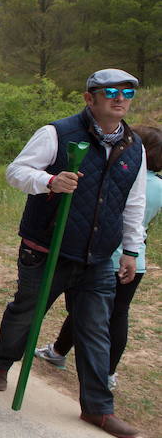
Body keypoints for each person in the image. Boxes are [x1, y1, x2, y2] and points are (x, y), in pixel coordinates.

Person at [0, 69, 146, 438]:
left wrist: (130, 250)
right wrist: (49, 182)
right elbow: (16, 172)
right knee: (26, 313)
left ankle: (98, 408)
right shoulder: (57, 133)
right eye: (110, 91)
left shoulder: (133, 146)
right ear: (89, 98)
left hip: (98, 258)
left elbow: (132, 203)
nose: (119, 98)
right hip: (47, 249)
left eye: (127, 93)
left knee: (95, 329)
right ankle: (1, 360)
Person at [35, 125, 160, 391]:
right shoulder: (159, 187)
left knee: (84, 311)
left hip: (104, 253)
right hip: (136, 259)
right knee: (116, 315)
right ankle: (103, 371)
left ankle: (64, 357)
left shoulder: (123, 176)